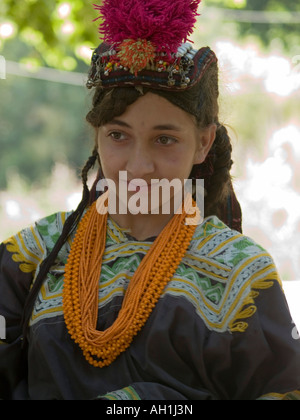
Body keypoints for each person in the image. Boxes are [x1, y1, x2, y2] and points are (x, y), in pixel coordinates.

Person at [0, 0, 299, 400]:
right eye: (118, 135)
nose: (138, 167)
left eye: (164, 139)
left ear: (203, 143)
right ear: (97, 135)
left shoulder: (242, 275)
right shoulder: (35, 253)